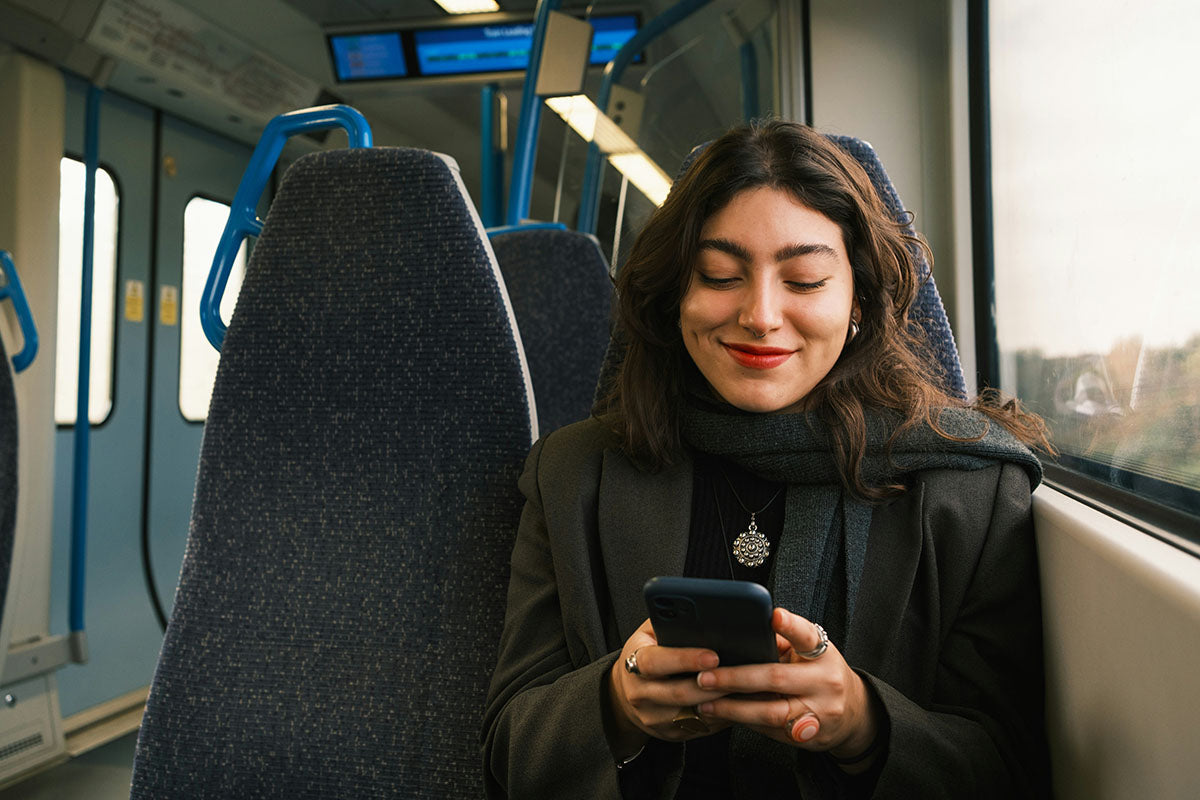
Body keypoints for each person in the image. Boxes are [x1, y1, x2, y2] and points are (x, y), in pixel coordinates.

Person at [482, 120, 1053, 799]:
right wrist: (615, 705)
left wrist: (863, 724)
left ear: (859, 304)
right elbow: (507, 758)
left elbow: (1012, 769)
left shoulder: (972, 490)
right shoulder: (573, 478)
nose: (760, 314)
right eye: (720, 275)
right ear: (673, 298)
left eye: (805, 280)